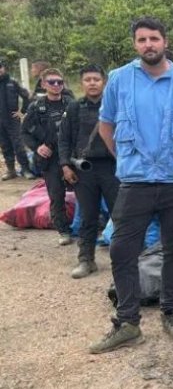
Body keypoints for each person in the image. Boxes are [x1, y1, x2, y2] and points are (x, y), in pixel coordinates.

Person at [88, 16, 173, 354]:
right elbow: (106, 126)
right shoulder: (121, 80)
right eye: (141, 40)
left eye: (154, 38)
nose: (148, 45)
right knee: (123, 251)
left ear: (165, 41)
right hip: (135, 182)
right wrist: (126, 161)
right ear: (135, 44)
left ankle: (171, 313)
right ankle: (128, 323)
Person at [58, 64, 120, 279]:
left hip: (113, 169)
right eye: (87, 79)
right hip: (84, 170)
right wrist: (66, 165)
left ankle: (124, 262)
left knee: (120, 216)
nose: (92, 83)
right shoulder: (74, 107)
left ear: (103, 81)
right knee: (88, 217)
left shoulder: (115, 105)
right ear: (81, 83)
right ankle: (86, 260)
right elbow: (64, 139)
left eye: (96, 79)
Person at [21, 68, 74, 244]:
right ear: (44, 84)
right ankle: (63, 231)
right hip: (50, 160)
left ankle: (90, 225)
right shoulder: (36, 107)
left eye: (59, 82)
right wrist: (37, 148)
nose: (56, 85)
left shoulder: (71, 104)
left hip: (72, 156)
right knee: (57, 195)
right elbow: (24, 132)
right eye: (52, 82)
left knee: (85, 192)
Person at [0, 59, 33, 180]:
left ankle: (26, 169)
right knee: (5, 145)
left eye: (0, 67)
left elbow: (26, 96)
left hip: (12, 119)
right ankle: (11, 170)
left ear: (4, 68)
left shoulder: (12, 82)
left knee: (18, 144)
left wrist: (22, 112)